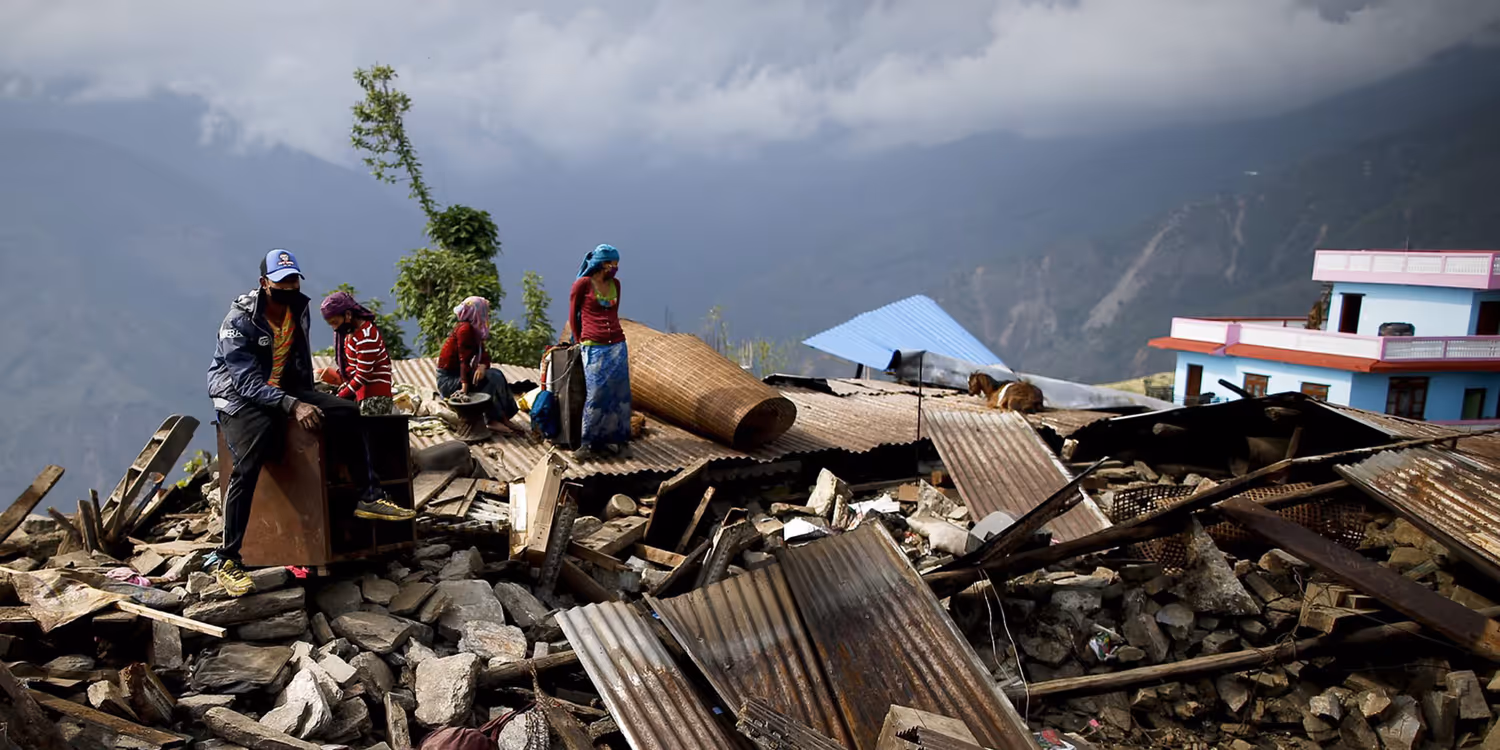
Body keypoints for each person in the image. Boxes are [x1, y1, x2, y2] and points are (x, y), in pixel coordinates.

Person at [206, 250, 415, 596]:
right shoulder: (238, 322)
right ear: (264, 283)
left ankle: (369, 496)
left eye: (293, 279)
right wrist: (292, 406)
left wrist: (306, 395)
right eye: (281, 281)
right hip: (240, 398)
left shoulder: (296, 309)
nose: (289, 286)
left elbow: (297, 360)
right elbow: (245, 383)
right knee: (249, 463)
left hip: (287, 389)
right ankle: (227, 559)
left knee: (346, 413)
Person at [568, 244, 632, 458]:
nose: (614, 267)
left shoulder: (617, 285)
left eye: (616, 263)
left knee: (620, 395)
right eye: (611, 263)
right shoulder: (583, 285)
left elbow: (614, 313)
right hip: (594, 346)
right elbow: (573, 315)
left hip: (617, 344)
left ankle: (619, 440)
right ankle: (588, 443)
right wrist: (579, 339)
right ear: (600, 263)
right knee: (596, 394)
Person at [436, 296, 525, 434]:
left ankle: (504, 417)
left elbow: (484, 356)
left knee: (497, 374)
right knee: (489, 379)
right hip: (449, 380)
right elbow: (463, 360)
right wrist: (465, 386)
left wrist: (482, 366)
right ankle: (491, 420)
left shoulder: (475, 330)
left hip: (460, 374)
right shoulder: (464, 330)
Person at [319, 291, 395, 416]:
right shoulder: (351, 335)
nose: (334, 328)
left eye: (335, 322)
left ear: (348, 314)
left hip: (374, 398)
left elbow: (362, 375)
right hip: (362, 395)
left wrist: (340, 397)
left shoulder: (366, 335)